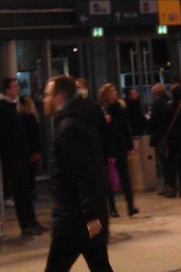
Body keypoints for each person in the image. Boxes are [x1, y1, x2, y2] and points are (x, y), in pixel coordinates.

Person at [42, 75, 112, 272]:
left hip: (74, 217)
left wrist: (91, 215)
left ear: (58, 97)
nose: (44, 100)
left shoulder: (69, 127)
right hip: (82, 214)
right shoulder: (81, 118)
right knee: (100, 265)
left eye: (47, 95)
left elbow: (84, 172)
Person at [0, 77, 45, 236]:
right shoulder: (4, 109)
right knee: (21, 191)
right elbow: (0, 134)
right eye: (14, 86)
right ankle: (26, 224)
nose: (17, 89)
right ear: (7, 90)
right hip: (14, 158)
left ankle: (32, 221)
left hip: (20, 156)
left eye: (17, 86)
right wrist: (8, 152)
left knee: (25, 190)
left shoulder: (11, 107)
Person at [96, 84, 138, 217]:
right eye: (111, 91)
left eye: (114, 91)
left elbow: (125, 127)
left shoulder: (120, 107)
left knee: (125, 176)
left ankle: (130, 206)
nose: (114, 93)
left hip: (120, 145)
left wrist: (130, 145)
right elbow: (102, 131)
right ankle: (112, 208)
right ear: (105, 94)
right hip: (108, 147)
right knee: (110, 178)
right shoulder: (102, 110)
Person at [147, 82, 172, 195]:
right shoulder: (169, 101)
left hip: (161, 135)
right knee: (170, 160)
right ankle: (170, 184)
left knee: (164, 161)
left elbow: (153, 121)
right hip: (170, 134)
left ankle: (167, 184)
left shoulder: (157, 104)